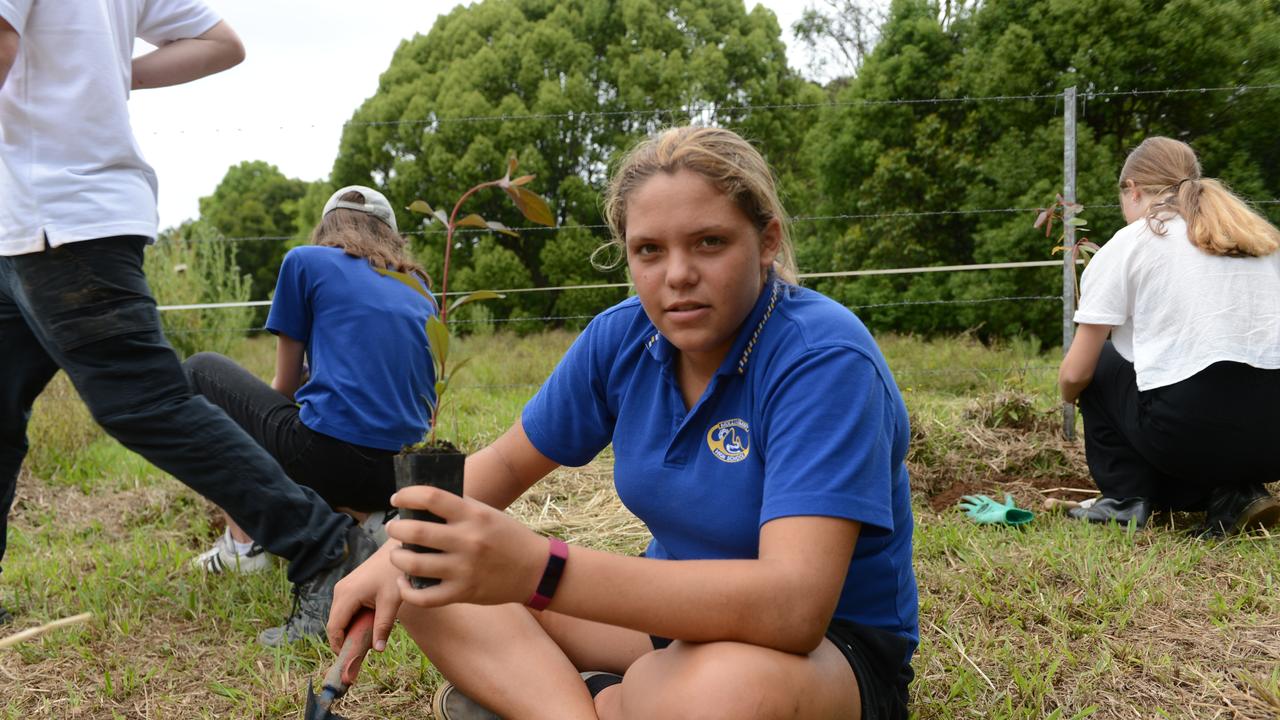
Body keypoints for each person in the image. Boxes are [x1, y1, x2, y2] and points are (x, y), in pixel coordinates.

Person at [328, 126, 919, 720]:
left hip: (822, 653)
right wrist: (389, 554)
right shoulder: (624, 338)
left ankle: (600, 695)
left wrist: (541, 568)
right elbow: (508, 463)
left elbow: (793, 609)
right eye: (650, 250)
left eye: (709, 242)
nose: (678, 274)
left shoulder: (823, 359)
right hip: (669, 621)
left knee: (725, 692)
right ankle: (590, 708)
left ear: (767, 241)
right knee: (428, 573)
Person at [0, 0, 376, 643]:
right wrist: (116, 72)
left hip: (61, 219)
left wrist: (111, 72)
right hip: (30, 223)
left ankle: (328, 547)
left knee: (145, 402)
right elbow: (221, 42)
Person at [183, 185, 436, 573]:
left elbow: (283, 387)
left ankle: (244, 545)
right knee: (329, 428)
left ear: (326, 229)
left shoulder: (306, 262)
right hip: (398, 474)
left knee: (201, 370)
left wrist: (252, 441)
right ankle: (371, 521)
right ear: (390, 236)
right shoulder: (419, 290)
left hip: (326, 461)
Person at [1059, 136, 1280, 536]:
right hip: (1274, 441)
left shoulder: (1133, 242)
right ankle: (1236, 491)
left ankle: (1126, 499)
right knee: (1214, 393)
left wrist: (1070, 397)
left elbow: (1075, 373)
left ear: (1134, 191)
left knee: (1104, 362)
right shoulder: (1258, 238)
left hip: (1189, 435)